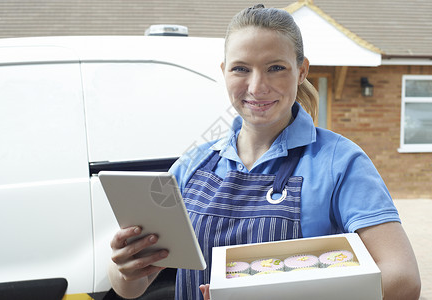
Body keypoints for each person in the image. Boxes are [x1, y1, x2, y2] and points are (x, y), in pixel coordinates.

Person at [108, 4, 421, 300]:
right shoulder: (192, 165)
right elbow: (133, 286)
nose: (257, 86)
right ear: (224, 71)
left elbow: (403, 280)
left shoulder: (341, 162)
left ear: (301, 71)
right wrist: (125, 270)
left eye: (275, 68)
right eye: (241, 68)